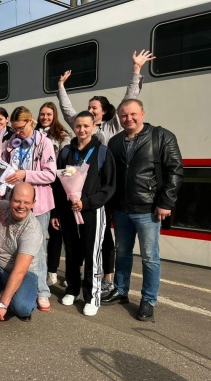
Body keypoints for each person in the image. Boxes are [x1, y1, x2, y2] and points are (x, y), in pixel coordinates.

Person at [57, 50, 155, 291]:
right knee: (82, 239)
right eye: (88, 108)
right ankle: (80, 277)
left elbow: (128, 101)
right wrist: (60, 87)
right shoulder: (81, 126)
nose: (90, 111)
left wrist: (136, 71)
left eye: (94, 108)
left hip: (105, 191)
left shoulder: (111, 127)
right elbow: (67, 110)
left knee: (105, 239)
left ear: (103, 111)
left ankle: (107, 279)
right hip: (82, 195)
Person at [102, 99, 183, 321]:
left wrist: (166, 202)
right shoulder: (115, 142)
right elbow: (111, 176)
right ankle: (121, 290)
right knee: (122, 252)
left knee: (149, 257)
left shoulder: (162, 136)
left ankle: (148, 300)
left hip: (149, 209)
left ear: (143, 113)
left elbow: (175, 171)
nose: (128, 118)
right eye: (124, 115)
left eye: (133, 114)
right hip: (121, 209)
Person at [52, 111, 116, 316]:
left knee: (92, 253)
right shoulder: (66, 152)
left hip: (92, 210)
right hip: (68, 211)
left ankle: (92, 297)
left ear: (93, 127)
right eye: (78, 126)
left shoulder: (102, 152)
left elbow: (109, 186)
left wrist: (86, 202)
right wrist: (57, 212)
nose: (82, 130)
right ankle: (72, 289)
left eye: (86, 126)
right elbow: (58, 185)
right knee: (71, 251)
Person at [2, 106, 56, 312]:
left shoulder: (45, 143)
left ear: (30, 121)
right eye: (15, 129)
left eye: (21, 128)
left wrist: (25, 174)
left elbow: (50, 174)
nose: (18, 132)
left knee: (37, 250)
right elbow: (5, 168)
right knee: (13, 245)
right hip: (14, 202)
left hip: (38, 204)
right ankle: (15, 286)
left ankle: (42, 291)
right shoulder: (11, 143)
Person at [0, 183, 43, 322]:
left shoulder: (32, 230)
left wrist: (2, 304)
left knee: (22, 308)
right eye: (17, 201)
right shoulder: (0, 206)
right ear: (9, 198)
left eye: (27, 202)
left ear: (33, 203)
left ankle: (16, 295)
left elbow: (19, 271)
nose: (21, 206)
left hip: (23, 273)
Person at [34, 101, 72, 287]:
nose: (45, 117)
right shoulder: (34, 133)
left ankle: (53, 270)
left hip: (58, 187)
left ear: (54, 115)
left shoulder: (62, 135)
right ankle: (41, 270)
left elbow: (65, 161)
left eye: (49, 114)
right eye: (42, 114)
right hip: (40, 187)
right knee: (40, 233)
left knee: (57, 232)